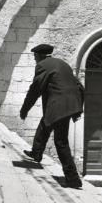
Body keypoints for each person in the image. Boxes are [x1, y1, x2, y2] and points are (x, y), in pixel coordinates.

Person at [19, 44, 84, 188]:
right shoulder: (62, 63)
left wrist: (25, 109)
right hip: (71, 103)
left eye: (35, 57)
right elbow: (77, 85)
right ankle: (36, 153)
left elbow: (35, 89)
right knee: (46, 123)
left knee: (61, 141)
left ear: (40, 56)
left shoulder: (43, 65)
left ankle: (73, 178)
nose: (35, 60)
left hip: (60, 105)